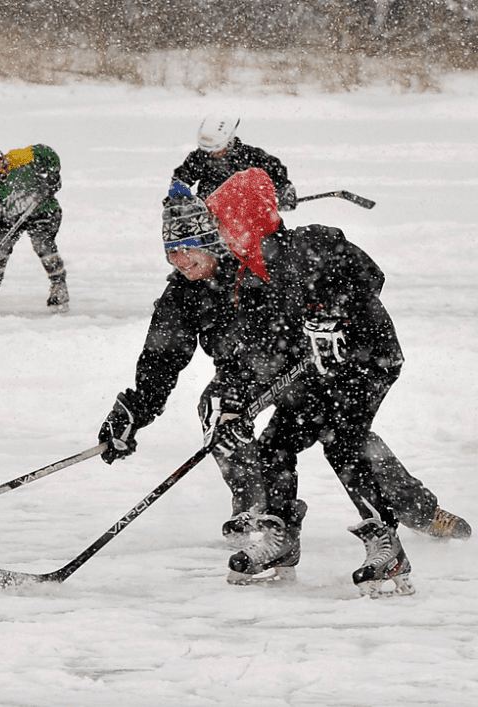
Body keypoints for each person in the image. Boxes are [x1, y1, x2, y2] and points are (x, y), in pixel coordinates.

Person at [97, 171, 468, 595]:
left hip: (351, 359)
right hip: (282, 366)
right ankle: (263, 513)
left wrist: (331, 320)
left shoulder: (268, 259)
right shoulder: (185, 294)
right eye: (172, 254)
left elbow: (358, 279)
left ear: (215, 239)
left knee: (340, 432)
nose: (182, 262)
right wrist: (134, 411)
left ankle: (411, 514)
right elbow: (166, 357)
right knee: (226, 411)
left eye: (191, 250)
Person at [0, 140, 68, 313]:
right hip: (12, 219)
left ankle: (59, 285)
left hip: (42, 209)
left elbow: (47, 153)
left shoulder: (20, 158)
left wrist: (52, 176)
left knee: (42, 242)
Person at [171, 114, 298, 211]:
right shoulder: (199, 157)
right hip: (208, 217)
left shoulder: (250, 157)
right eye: (206, 149)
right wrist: (179, 199)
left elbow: (275, 169)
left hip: (245, 217)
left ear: (230, 141)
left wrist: (284, 190)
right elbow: (181, 178)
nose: (210, 154)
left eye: (216, 149)